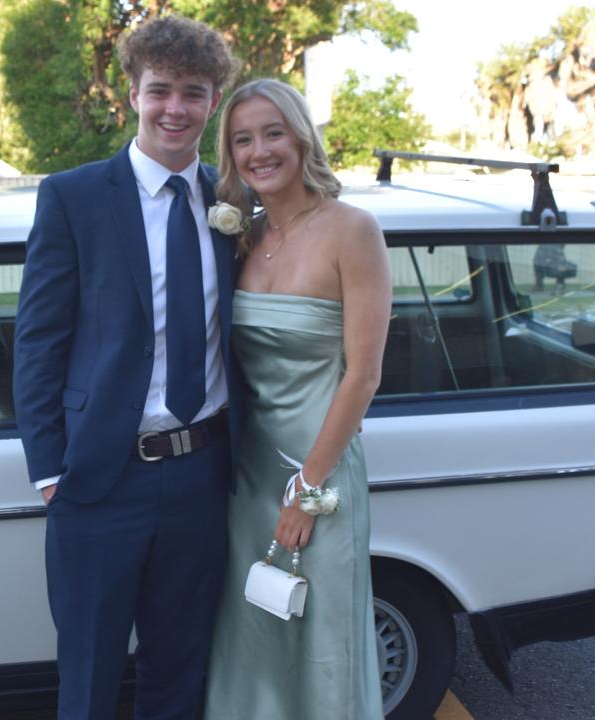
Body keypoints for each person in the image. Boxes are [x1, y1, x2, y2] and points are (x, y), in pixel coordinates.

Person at [12, 15, 244, 720]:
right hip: (99, 481)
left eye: (194, 93)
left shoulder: (232, 202)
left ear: (213, 102)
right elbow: (37, 343)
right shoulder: (74, 198)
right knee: (88, 671)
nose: (176, 108)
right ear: (133, 95)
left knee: (182, 668)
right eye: (161, 90)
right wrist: (51, 471)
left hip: (203, 476)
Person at [203, 79, 391, 719]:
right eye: (242, 139)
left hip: (320, 475)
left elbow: (363, 374)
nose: (260, 151)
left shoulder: (352, 231)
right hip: (249, 475)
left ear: (301, 136)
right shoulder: (240, 238)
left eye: (273, 132)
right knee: (255, 635)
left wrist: (306, 491)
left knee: (320, 640)